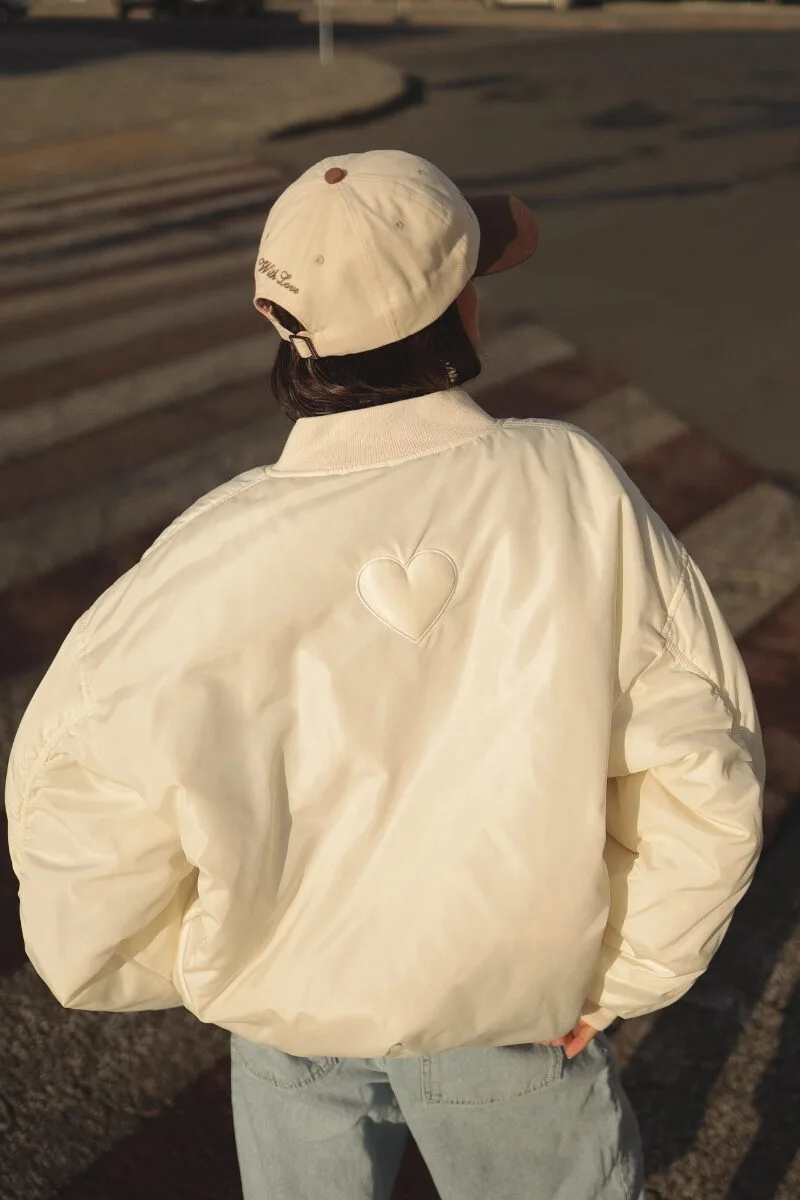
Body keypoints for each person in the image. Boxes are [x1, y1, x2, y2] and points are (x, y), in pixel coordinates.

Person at [5, 150, 764, 1200]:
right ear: (456, 311)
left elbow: (72, 793)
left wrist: (205, 958)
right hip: (504, 1010)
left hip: (288, 1015)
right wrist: (620, 974)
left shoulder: (208, 550)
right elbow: (699, 760)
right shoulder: (569, 489)